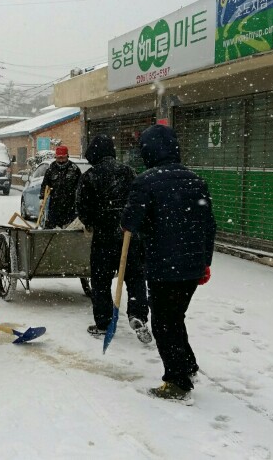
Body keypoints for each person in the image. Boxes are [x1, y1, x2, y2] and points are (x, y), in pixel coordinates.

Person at [121, 124, 216, 402]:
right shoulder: (196, 180)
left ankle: (177, 382)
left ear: (148, 151)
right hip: (192, 265)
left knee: (164, 323)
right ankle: (187, 364)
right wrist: (205, 262)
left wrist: (130, 213)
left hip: (164, 266)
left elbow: (130, 223)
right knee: (175, 317)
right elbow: (209, 225)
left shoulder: (146, 182)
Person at [75, 134, 151, 343]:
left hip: (104, 238)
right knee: (135, 278)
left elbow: (83, 208)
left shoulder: (90, 176)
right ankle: (138, 314)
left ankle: (104, 322)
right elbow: (141, 203)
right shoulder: (130, 172)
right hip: (130, 236)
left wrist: (91, 222)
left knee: (100, 281)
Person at [40, 145, 82, 228]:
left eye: (63, 158)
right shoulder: (51, 169)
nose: (61, 160)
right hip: (55, 205)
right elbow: (45, 185)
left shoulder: (74, 169)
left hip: (70, 206)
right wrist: (42, 198)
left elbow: (81, 186)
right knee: (52, 229)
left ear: (67, 156)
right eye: (59, 158)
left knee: (69, 230)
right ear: (56, 157)